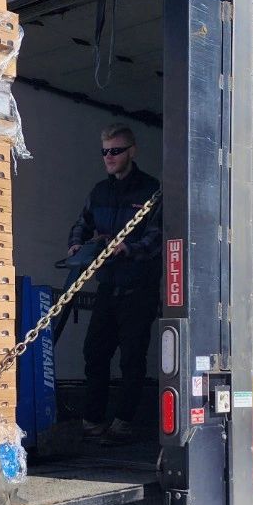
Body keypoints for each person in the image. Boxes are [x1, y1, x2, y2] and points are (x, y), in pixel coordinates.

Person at [68, 124, 162, 444]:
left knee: (131, 360)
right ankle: (92, 422)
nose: (109, 157)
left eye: (116, 150)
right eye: (105, 151)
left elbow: (156, 238)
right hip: (108, 287)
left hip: (139, 291)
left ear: (131, 151)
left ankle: (123, 422)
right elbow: (82, 224)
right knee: (94, 352)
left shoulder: (151, 190)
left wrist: (128, 249)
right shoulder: (99, 192)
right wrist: (76, 245)